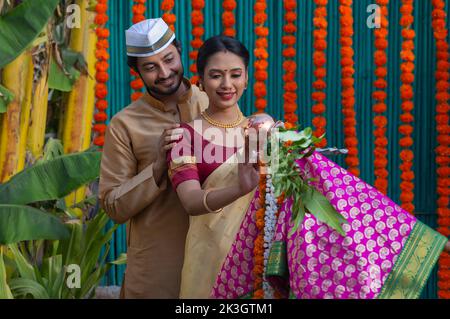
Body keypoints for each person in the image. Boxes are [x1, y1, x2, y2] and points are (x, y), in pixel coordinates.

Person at [167, 35, 450, 299]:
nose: (226, 84)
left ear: (246, 79)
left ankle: (412, 234)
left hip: (260, 261)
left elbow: (321, 187)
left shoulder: (267, 131)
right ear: (201, 82)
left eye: (235, 74)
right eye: (216, 75)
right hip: (209, 259)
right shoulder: (183, 136)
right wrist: (239, 188)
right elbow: (190, 201)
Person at [98, 18, 208, 298]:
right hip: (156, 271)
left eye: (169, 59)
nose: (164, 72)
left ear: (180, 51)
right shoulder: (125, 124)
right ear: (136, 71)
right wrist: (158, 167)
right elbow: (113, 206)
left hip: (214, 258)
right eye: (150, 67)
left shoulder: (213, 103)